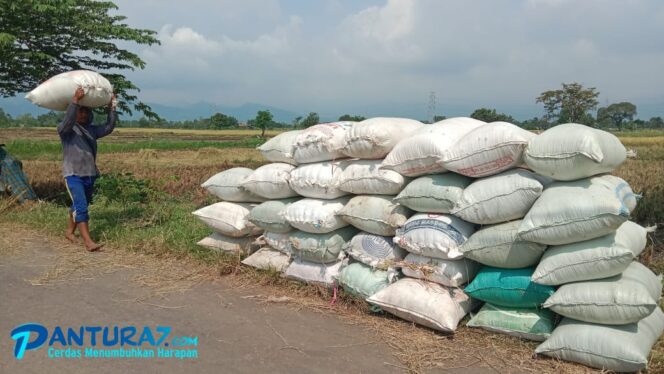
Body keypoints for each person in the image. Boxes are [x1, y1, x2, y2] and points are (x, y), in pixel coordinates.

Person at [58, 87, 116, 251]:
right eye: (79, 112)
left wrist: (112, 107)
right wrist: (75, 100)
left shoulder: (92, 130)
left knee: (79, 205)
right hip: (73, 174)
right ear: (74, 112)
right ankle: (88, 242)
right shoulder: (66, 130)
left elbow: (109, 127)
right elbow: (68, 121)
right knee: (82, 206)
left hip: (90, 174)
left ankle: (69, 231)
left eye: (85, 112)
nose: (83, 115)